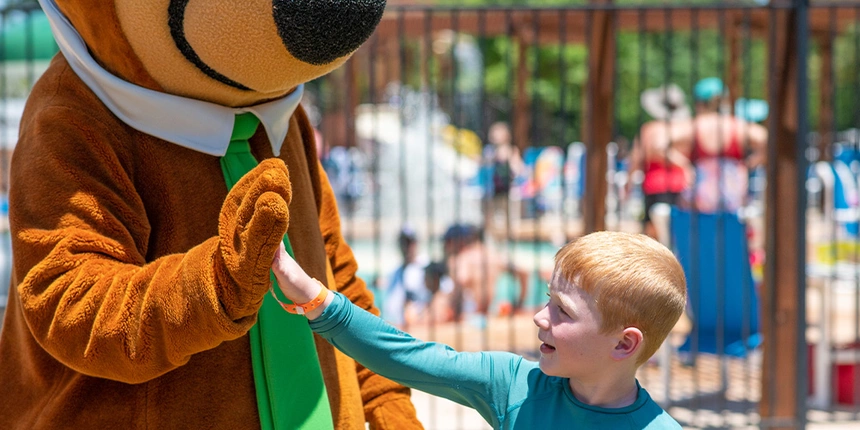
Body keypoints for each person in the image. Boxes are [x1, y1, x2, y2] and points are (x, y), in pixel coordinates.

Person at [271, 230, 687, 429]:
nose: (540, 317)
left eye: (563, 311)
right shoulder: (512, 384)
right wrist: (314, 298)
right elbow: (406, 357)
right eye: (547, 300)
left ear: (624, 343)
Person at [681, 77, 768, 213]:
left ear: (699, 103)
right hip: (733, 196)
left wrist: (683, 164)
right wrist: (750, 164)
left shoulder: (693, 126)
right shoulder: (737, 126)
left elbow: (659, 144)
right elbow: (769, 141)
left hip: (700, 199)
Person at [628, 83, 694, 239]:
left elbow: (637, 158)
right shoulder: (686, 129)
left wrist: (628, 182)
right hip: (681, 185)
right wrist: (685, 165)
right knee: (677, 234)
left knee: (653, 236)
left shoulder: (650, 129)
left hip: (655, 186)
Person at [442, 223, 529, 322]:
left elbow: (462, 279)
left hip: (470, 315)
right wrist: (519, 303)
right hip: (491, 314)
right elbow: (524, 273)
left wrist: (452, 308)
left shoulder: (463, 258)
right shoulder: (494, 256)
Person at [382, 226, 434, 328]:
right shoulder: (395, 272)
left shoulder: (427, 267)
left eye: (409, 242)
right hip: (395, 327)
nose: (405, 247)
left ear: (416, 243)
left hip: (418, 327)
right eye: (402, 243)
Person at [482, 122, 525, 239]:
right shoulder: (489, 151)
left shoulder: (511, 151)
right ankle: (490, 239)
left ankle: (511, 240)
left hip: (508, 191)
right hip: (492, 191)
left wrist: (511, 162)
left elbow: (519, 168)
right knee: (489, 217)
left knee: (510, 219)